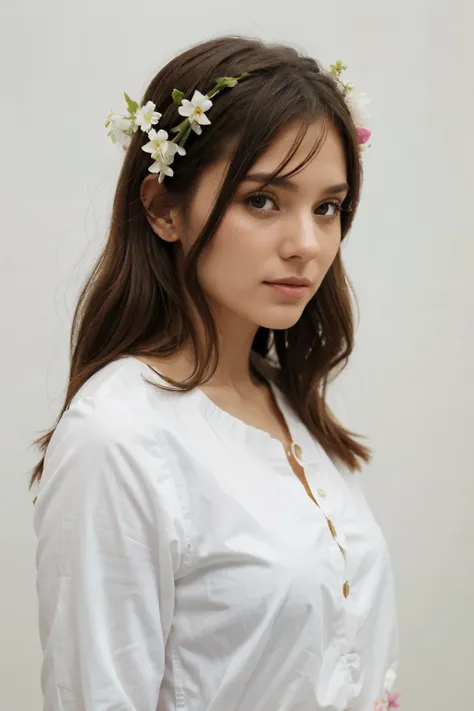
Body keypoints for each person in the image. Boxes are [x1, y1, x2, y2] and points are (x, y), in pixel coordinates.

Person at [31, 35, 400, 711]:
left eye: (327, 206)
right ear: (163, 207)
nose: (307, 245)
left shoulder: (286, 406)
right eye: (263, 200)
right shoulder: (120, 436)